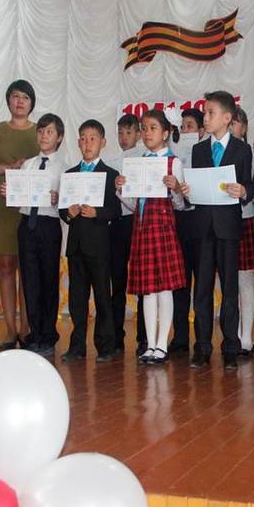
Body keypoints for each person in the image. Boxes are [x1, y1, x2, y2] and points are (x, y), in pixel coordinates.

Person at [181, 91, 254, 369]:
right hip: (201, 226)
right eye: (204, 112)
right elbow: (195, 188)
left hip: (228, 227)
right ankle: (201, 346)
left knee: (230, 290)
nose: (206, 117)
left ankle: (231, 346)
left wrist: (243, 190)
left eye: (211, 113)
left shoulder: (241, 149)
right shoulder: (199, 150)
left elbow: (249, 185)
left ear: (227, 117)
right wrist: (187, 191)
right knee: (201, 289)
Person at [117, 109, 187, 365]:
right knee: (147, 290)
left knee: (165, 288)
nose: (147, 133)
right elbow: (134, 204)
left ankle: (162, 344)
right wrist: (120, 190)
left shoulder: (173, 162)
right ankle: (149, 344)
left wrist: (176, 188)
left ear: (165, 133)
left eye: (153, 128)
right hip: (143, 228)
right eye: (144, 128)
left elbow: (180, 205)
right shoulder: (138, 163)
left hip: (163, 228)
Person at [0, 79, 39, 350]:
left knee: (27, 268)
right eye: (15, 96)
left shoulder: (39, 131)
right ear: (8, 101)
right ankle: (10, 330)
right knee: (5, 266)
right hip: (3, 204)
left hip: (29, 205)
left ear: (31, 103)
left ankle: (26, 328)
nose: (19, 101)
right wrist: (9, 168)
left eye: (25, 97)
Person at [0, 113, 64, 357]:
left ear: (59, 137)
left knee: (48, 280)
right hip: (27, 224)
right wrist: (10, 192)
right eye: (40, 131)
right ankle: (34, 334)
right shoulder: (27, 165)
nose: (43, 136)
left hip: (49, 224)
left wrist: (59, 198)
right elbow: (20, 200)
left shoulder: (64, 167)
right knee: (30, 281)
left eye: (49, 132)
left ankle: (48, 335)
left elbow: (67, 203)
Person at [59, 119, 121, 362]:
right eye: (83, 139)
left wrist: (97, 213)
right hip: (75, 246)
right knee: (77, 299)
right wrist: (68, 213)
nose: (87, 143)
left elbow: (116, 210)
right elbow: (62, 211)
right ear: (78, 142)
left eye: (92, 138)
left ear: (103, 142)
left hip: (100, 246)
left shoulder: (111, 175)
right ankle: (77, 347)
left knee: (103, 297)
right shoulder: (70, 175)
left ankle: (106, 347)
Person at [110, 113, 146, 354]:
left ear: (139, 134)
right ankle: (116, 334)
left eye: (129, 132)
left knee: (142, 280)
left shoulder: (144, 158)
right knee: (117, 280)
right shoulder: (111, 160)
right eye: (121, 133)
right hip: (117, 223)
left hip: (138, 221)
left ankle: (143, 337)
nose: (124, 137)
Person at [168, 109, 203, 355]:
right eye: (182, 127)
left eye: (189, 126)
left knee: (201, 284)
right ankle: (180, 338)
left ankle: (202, 340)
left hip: (200, 224)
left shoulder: (205, 155)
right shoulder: (172, 157)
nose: (185, 130)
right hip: (179, 222)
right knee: (180, 284)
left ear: (201, 130)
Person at [231, 106, 254, 355]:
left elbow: (251, 187)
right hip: (223, 221)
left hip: (245, 218)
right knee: (229, 283)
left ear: (245, 127)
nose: (232, 127)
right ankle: (233, 334)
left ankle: (246, 336)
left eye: (236, 123)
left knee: (245, 281)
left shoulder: (248, 150)